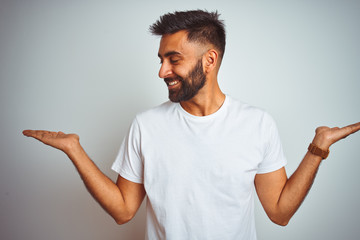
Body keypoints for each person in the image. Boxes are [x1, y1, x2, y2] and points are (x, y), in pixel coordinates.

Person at [23, 10, 360, 240]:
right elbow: (124, 211)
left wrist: (319, 148)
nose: (162, 71)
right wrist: (74, 149)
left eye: (174, 59)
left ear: (209, 60)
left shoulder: (257, 124)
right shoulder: (146, 126)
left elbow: (280, 212)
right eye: (161, 59)